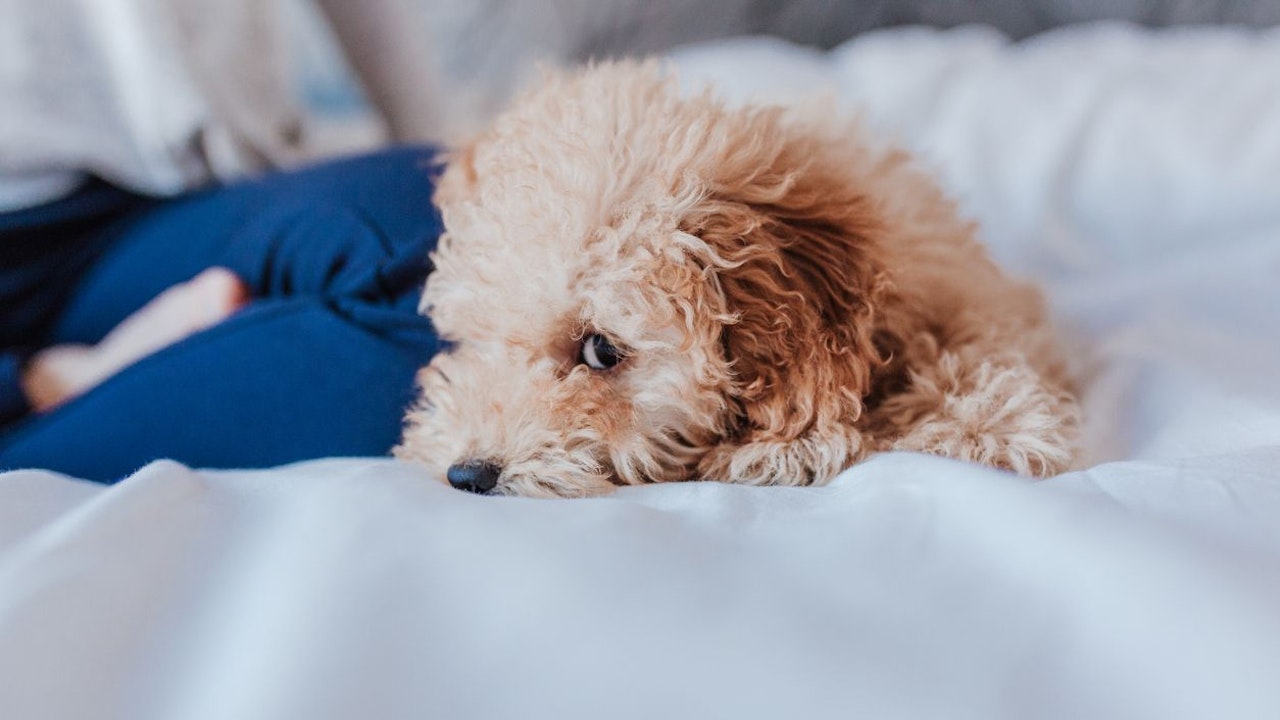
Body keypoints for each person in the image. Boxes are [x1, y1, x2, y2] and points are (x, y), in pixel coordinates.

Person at [0, 1, 446, 481]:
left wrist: (443, 152)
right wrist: (38, 381)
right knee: (425, 352)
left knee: (440, 243)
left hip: (175, 195)